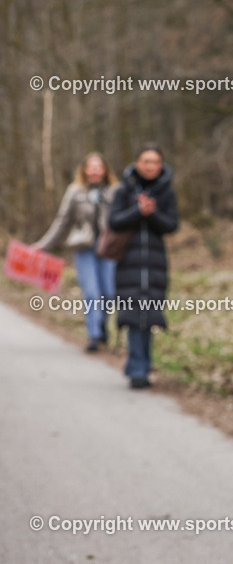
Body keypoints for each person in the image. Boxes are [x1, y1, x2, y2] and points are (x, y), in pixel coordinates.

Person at [109, 143, 178, 389]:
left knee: (149, 317)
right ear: (138, 163)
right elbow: (113, 221)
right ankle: (137, 369)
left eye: (155, 162)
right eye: (146, 161)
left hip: (155, 263)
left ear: (161, 166)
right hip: (128, 262)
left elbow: (171, 224)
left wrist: (151, 213)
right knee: (132, 314)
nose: (151, 166)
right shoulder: (123, 190)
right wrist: (138, 211)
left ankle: (141, 365)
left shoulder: (166, 191)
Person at [34, 152, 120, 351]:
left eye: (99, 166)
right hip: (84, 248)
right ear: (84, 170)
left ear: (105, 169)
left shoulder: (114, 191)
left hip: (109, 247)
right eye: (91, 166)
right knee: (91, 292)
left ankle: (101, 323)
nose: (95, 170)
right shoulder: (75, 191)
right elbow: (62, 222)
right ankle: (93, 336)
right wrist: (44, 245)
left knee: (108, 292)